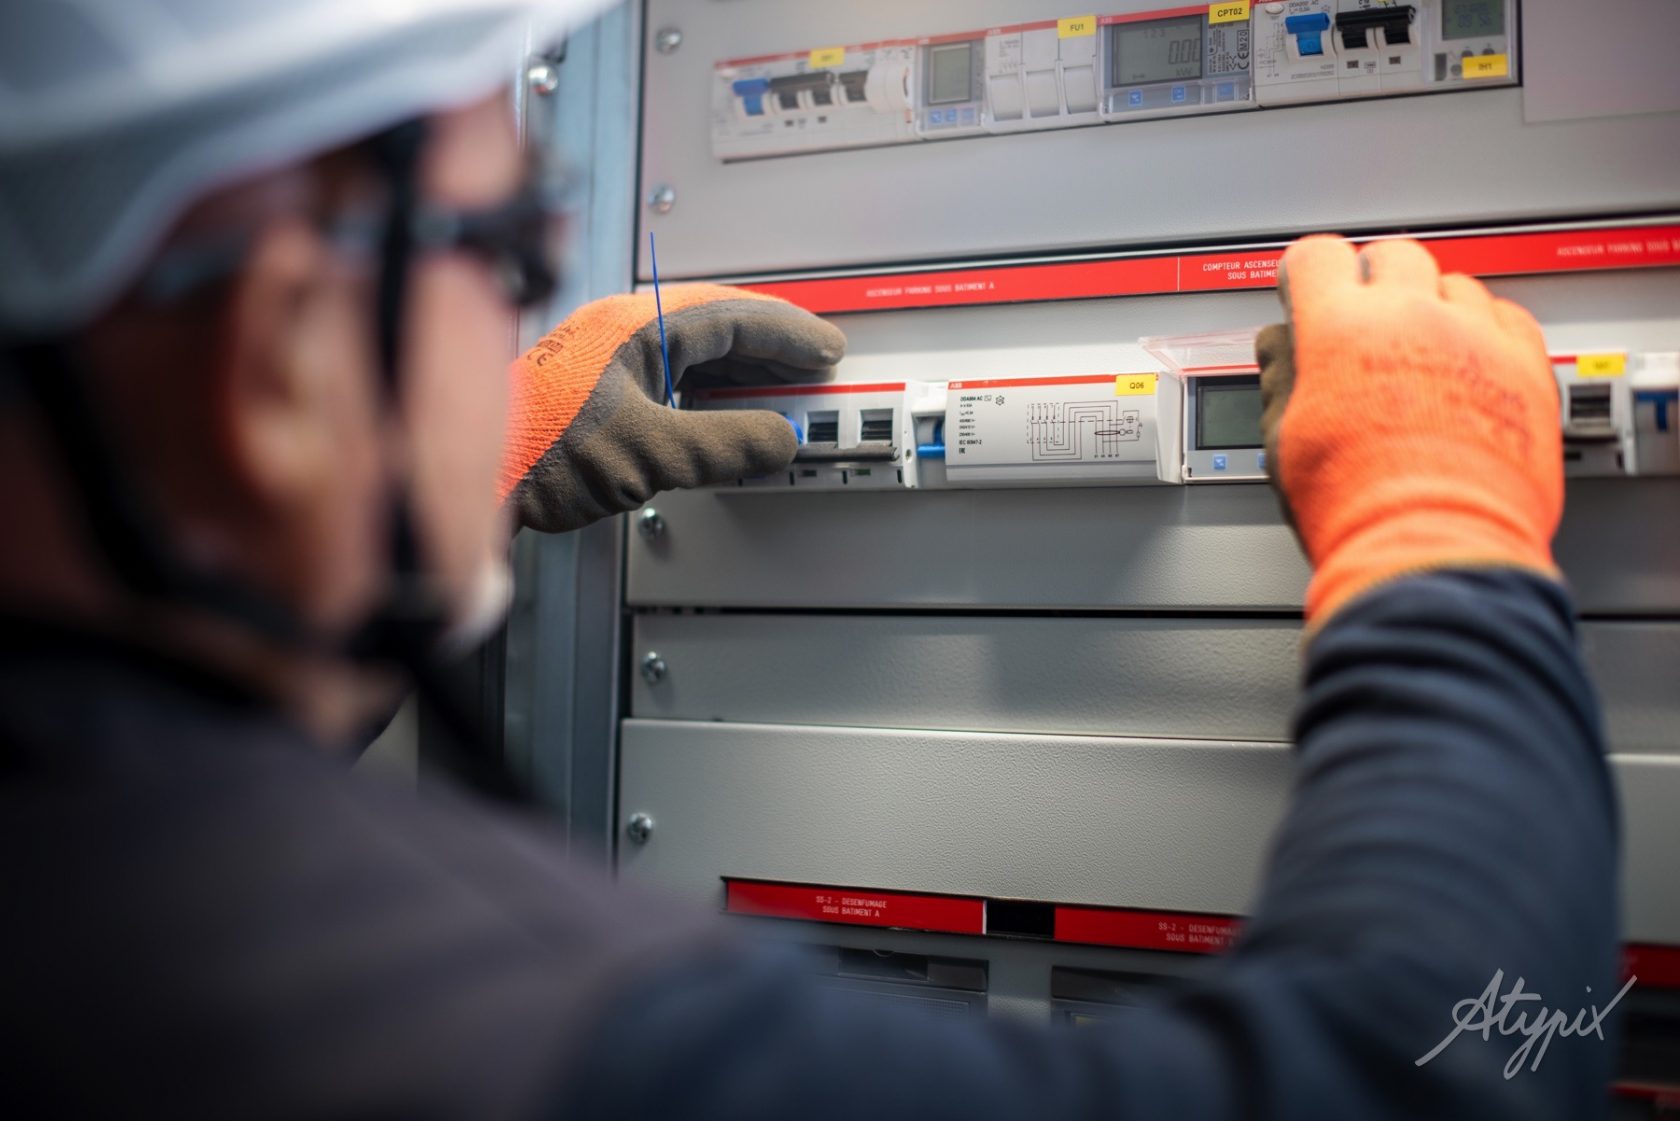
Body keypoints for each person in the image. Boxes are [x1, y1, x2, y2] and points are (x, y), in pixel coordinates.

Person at [0, 2, 1619, 1118]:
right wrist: (1439, 531)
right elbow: (1417, 1078)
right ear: (281, 369)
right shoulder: (467, 1033)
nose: (524, 327)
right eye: (505, 258)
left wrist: (424, 477)